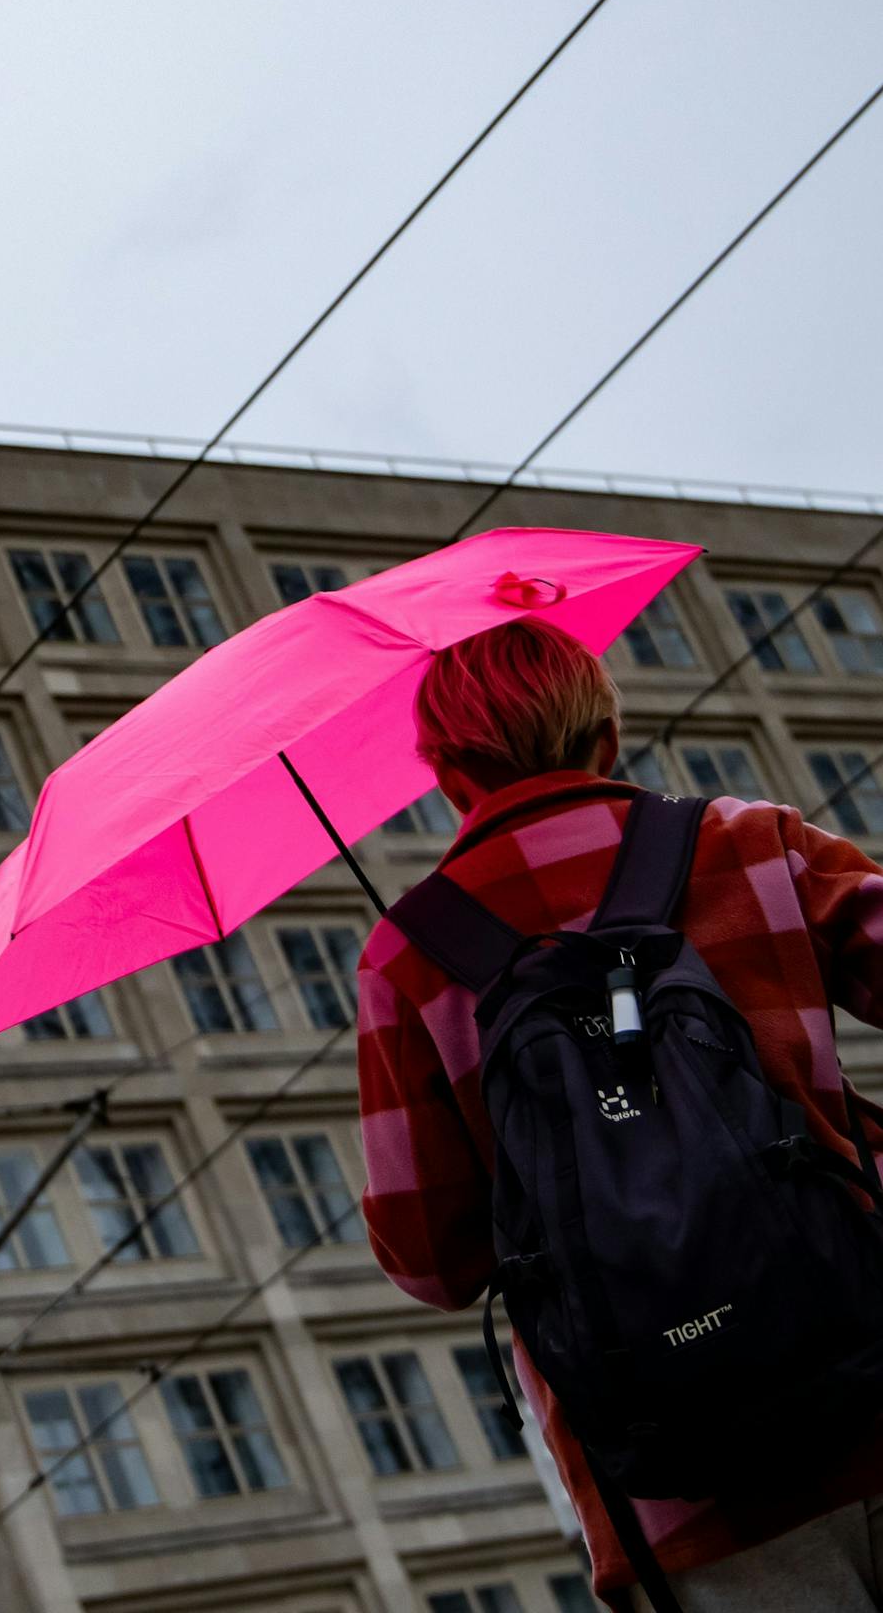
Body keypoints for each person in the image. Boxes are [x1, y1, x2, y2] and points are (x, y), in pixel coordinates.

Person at [357, 616, 883, 1610]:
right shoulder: (744, 839)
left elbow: (432, 1259)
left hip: (678, 1484)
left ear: (445, 777)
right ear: (604, 736)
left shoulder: (407, 956)